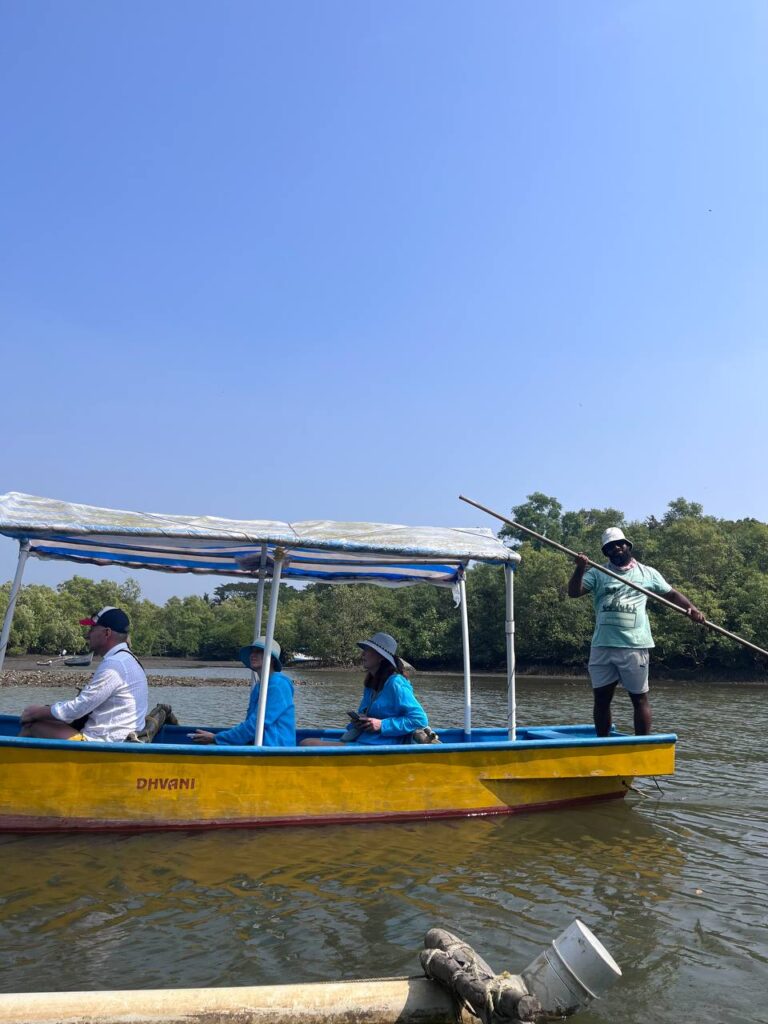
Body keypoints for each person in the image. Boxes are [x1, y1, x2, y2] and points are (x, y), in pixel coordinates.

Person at [568, 527, 706, 737]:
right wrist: (580, 568)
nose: (615, 549)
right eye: (609, 547)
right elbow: (573, 593)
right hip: (603, 645)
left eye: (619, 544)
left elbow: (671, 594)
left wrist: (692, 609)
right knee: (602, 699)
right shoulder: (597, 573)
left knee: (639, 698)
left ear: (628, 546)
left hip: (635, 645)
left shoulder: (647, 573)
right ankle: (602, 743)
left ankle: (641, 744)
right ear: (605, 553)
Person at [20, 607, 148, 742]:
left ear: (107, 633)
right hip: (122, 739)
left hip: (103, 743)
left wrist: (35, 712)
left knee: (32, 725)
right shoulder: (129, 659)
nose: (88, 634)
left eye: (92, 629)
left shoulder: (114, 665)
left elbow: (78, 709)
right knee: (52, 719)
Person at [301, 631, 428, 746]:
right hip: (364, 741)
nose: (362, 654)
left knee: (307, 743)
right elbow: (367, 715)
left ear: (380, 657)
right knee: (307, 741)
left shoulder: (396, 683)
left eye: (368, 650)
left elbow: (419, 719)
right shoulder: (371, 683)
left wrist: (382, 725)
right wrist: (359, 722)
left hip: (380, 746)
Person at [188, 638, 295, 747]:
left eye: (259, 651)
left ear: (271, 658)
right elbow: (251, 726)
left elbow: (255, 725)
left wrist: (216, 738)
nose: (253, 654)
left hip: (275, 748)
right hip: (260, 745)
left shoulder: (278, 686)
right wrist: (219, 738)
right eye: (253, 651)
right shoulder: (259, 685)